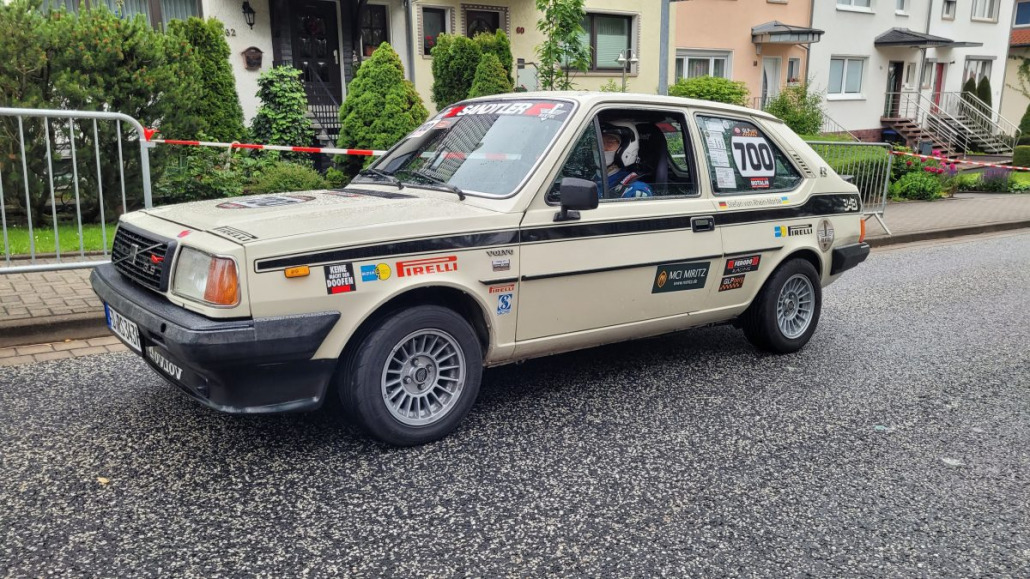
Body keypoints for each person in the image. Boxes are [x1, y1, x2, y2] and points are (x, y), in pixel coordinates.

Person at [600, 121, 653, 198]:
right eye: (599, 143)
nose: (603, 148)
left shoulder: (636, 190)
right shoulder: (596, 176)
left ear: (624, 148)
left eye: (610, 142)